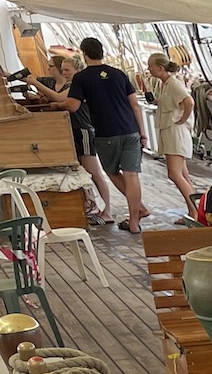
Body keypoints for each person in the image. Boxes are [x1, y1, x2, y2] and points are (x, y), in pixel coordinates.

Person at [51, 37, 148, 232]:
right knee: (132, 175)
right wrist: (143, 133)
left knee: (112, 172)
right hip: (130, 130)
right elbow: (134, 105)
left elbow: (73, 106)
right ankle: (136, 221)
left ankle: (140, 209)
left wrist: (56, 105)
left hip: (106, 133)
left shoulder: (82, 77)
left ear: (84, 53)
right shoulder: (119, 74)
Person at [33, 54, 114, 223]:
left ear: (78, 70)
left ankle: (107, 211)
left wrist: (40, 90)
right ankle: (90, 204)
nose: (64, 73)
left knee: (94, 172)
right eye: (62, 70)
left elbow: (64, 101)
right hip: (72, 131)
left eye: (67, 70)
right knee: (80, 171)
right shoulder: (72, 84)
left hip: (83, 130)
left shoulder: (80, 85)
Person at [145, 53, 197, 214]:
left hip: (176, 132)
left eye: (151, 66)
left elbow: (189, 102)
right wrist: (156, 101)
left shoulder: (173, 84)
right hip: (169, 132)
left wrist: (183, 119)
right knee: (182, 175)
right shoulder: (164, 84)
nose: (148, 69)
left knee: (174, 174)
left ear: (160, 68)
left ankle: (195, 212)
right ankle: (194, 211)